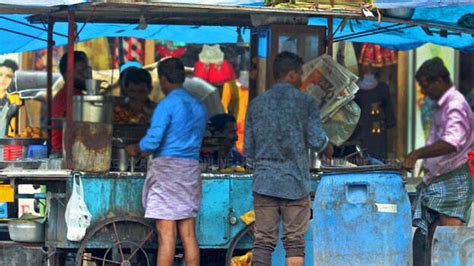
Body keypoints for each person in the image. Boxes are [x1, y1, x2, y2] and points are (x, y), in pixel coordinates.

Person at [244, 51, 333, 266]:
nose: (302, 78)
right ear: (292, 74)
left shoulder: (256, 104)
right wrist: (328, 148)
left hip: (264, 182)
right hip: (295, 182)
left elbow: (248, 149)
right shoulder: (306, 103)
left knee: (263, 241)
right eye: (300, 74)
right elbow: (318, 142)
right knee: (294, 241)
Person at [126, 57, 207, 266]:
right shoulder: (199, 106)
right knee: (188, 235)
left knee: (167, 235)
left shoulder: (167, 104)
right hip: (190, 169)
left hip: (167, 172)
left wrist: (136, 149)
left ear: (163, 79)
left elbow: (152, 141)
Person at [403, 57, 473, 266]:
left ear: (439, 81)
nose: (424, 92)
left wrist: (416, 154)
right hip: (438, 180)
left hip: (453, 181)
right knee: (435, 241)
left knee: (448, 242)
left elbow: (452, 143)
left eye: (425, 86)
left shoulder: (455, 105)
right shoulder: (442, 106)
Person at [51, 51, 90, 153]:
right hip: (66, 153)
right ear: (67, 74)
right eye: (81, 71)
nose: (86, 75)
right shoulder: (71, 97)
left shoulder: (76, 94)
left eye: (87, 70)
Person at [0, 59, 21, 136]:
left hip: (8, 143)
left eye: (8, 76)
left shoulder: (17, 100)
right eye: (0, 74)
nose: (3, 79)